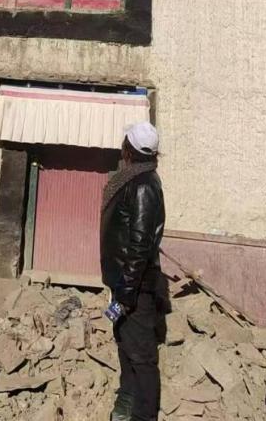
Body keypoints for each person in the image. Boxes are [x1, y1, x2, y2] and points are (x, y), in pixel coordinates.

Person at [99, 121, 167, 421]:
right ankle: (126, 399)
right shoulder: (133, 179)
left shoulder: (143, 186)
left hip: (134, 288)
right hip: (123, 283)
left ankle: (144, 415)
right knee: (124, 342)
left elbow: (139, 246)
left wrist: (126, 294)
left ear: (129, 149)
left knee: (142, 356)